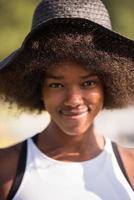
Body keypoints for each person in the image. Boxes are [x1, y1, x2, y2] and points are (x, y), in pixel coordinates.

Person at [0, 0, 134, 199]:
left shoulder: (130, 169)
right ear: (39, 88)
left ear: (107, 85)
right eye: (56, 84)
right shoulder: (6, 170)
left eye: (88, 83)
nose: (73, 99)